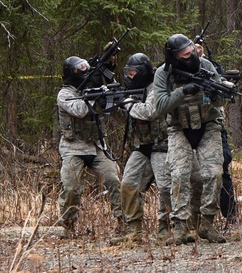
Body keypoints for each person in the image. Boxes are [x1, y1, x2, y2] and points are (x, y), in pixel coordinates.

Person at [152, 34, 228, 245]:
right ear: (175, 57)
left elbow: (222, 99)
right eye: (185, 55)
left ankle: (207, 223)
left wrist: (213, 95)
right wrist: (183, 91)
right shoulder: (163, 74)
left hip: (208, 125)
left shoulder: (206, 66)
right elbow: (160, 107)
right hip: (179, 128)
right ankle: (180, 227)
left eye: (192, 51)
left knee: (214, 173)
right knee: (179, 175)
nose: (192, 56)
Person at [55, 55, 123, 239]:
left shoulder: (94, 87)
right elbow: (80, 110)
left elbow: (114, 106)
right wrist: (93, 94)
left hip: (96, 145)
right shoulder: (65, 94)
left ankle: (124, 223)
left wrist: (106, 85)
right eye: (79, 68)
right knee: (70, 188)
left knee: (114, 179)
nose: (84, 70)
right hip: (73, 147)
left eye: (86, 67)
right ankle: (69, 226)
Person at [115, 53, 172, 243]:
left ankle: (167, 229)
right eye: (128, 73)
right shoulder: (132, 92)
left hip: (162, 145)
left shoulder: (156, 88)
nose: (130, 77)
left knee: (165, 188)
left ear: (143, 72)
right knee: (128, 184)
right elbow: (128, 118)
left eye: (133, 73)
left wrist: (128, 104)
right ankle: (134, 230)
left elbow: (149, 112)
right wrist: (114, 105)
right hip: (142, 146)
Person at [194, 38, 237, 224]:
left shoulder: (210, 66)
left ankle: (230, 214)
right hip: (192, 125)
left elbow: (221, 83)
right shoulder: (178, 68)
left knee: (222, 167)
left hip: (214, 124)